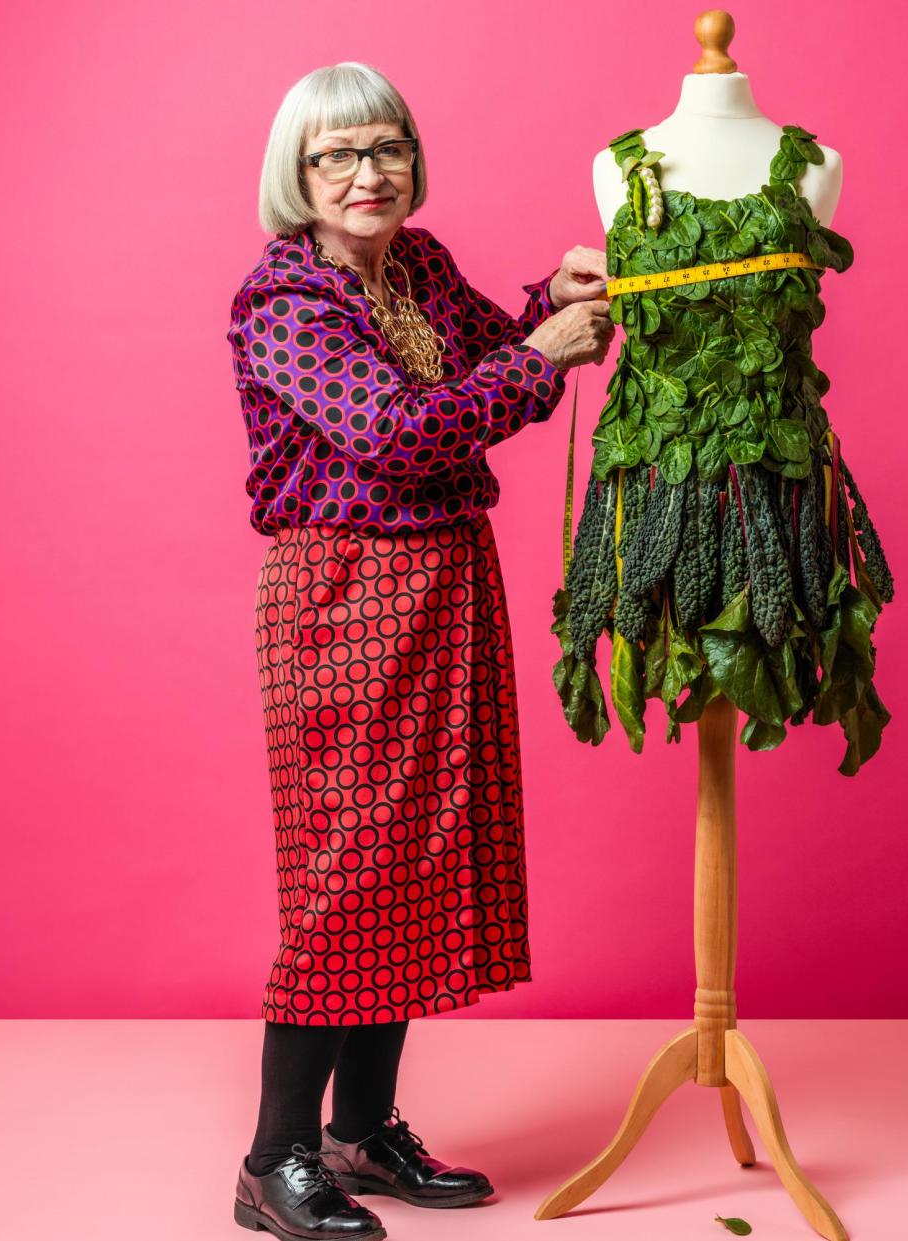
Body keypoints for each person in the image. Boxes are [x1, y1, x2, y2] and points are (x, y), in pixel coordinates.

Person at [225, 61, 614, 1240]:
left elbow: (498, 353)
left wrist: (561, 295)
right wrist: (545, 349)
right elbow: (400, 432)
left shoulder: (422, 265)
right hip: (342, 592)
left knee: (412, 864)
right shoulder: (283, 300)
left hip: (445, 580)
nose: (366, 172)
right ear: (295, 174)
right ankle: (273, 1157)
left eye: (385, 147)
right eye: (336, 154)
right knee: (347, 876)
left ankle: (362, 1128)